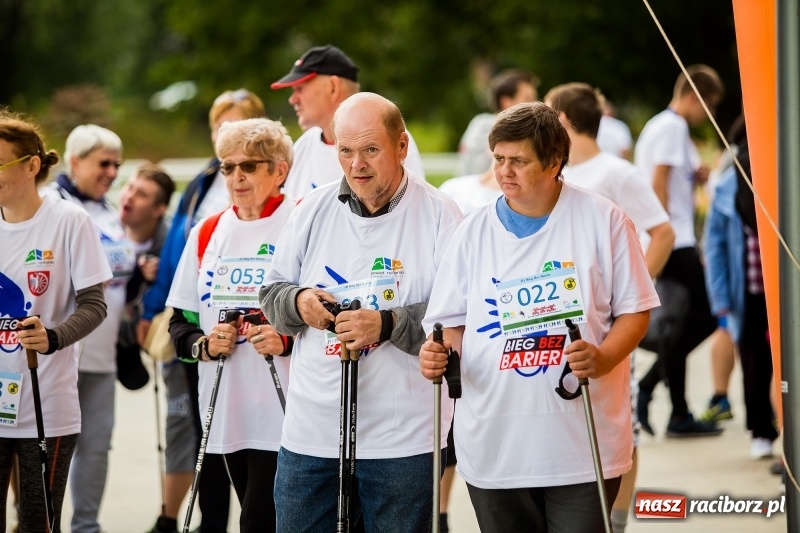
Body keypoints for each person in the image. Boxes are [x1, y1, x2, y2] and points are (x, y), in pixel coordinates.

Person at [419, 102, 658, 532]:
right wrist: (439, 354)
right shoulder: (469, 233)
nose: (503, 171)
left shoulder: (605, 221)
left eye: (518, 161)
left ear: (553, 163)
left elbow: (635, 311)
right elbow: (449, 323)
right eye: (498, 159)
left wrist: (603, 358)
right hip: (495, 445)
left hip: (581, 444)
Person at [260, 92, 463, 532]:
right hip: (311, 431)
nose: (357, 165)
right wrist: (300, 303)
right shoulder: (311, 209)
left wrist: (386, 323)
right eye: (346, 151)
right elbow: (271, 294)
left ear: (402, 146)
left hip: (403, 436)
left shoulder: (440, 213)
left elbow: (456, 316)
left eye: (371, 149)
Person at [544, 82, 674, 533]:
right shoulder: (552, 174)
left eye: (545, 114)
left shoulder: (616, 173)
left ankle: (616, 520)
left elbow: (663, 233)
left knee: (622, 424)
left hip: (611, 327)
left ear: (562, 121)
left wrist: (631, 298)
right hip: (556, 326)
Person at [140, 89, 265, 533]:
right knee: (206, 439)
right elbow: (178, 247)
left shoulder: (285, 204)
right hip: (202, 332)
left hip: (264, 362)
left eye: (233, 126)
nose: (222, 136)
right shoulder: (203, 181)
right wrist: (156, 309)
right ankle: (210, 523)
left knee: (258, 471)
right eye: (217, 126)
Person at [167, 118, 295, 532]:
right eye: (228, 167)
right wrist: (205, 345)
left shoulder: (301, 221)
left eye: (250, 166)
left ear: (280, 170)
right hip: (226, 405)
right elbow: (180, 322)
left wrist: (286, 339)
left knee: (261, 518)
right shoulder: (208, 232)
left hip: (288, 406)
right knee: (250, 513)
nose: (237, 177)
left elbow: (327, 311)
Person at [0, 110, 110, 533]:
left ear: (31, 166)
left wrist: (53, 337)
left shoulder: (69, 220)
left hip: (46, 400)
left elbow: (94, 305)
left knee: (37, 522)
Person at [44, 124, 134, 533]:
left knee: (96, 448)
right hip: (58, 350)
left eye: (116, 163)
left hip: (103, 353)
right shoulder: (51, 206)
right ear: (75, 161)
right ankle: (40, 523)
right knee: (43, 453)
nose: (112, 171)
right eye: (103, 163)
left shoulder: (109, 211)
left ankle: (86, 527)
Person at [634, 64, 725, 438]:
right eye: (709, 105)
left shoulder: (660, 125)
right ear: (694, 95)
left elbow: (667, 178)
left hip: (670, 236)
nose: (709, 115)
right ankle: (650, 384)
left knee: (680, 323)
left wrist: (695, 176)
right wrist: (663, 231)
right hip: (675, 238)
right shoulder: (673, 127)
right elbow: (657, 181)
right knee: (707, 316)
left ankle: (679, 413)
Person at [703, 125, 778, 460]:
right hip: (747, 289)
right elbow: (715, 246)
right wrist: (720, 299)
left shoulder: (783, 172)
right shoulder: (728, 183)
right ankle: (761, 430)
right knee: (754, 362)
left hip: (782, 288)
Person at [270, 44, 427, 199]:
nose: (293, 99)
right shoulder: (305, 144)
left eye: (300, 89)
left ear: (333, 87)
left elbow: (412, 208)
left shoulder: (389, 136)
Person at [117, 163, 175, 392]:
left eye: (141, 194)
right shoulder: (104, 231)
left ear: (158, 209)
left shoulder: (172, 245)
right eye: (129, 187)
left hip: (148, 339)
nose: (129, 197)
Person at [457, 68, 539, 176]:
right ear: (506, 102)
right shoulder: (512, 132)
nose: (536, 104)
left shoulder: (478, 124)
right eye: (528, 98)